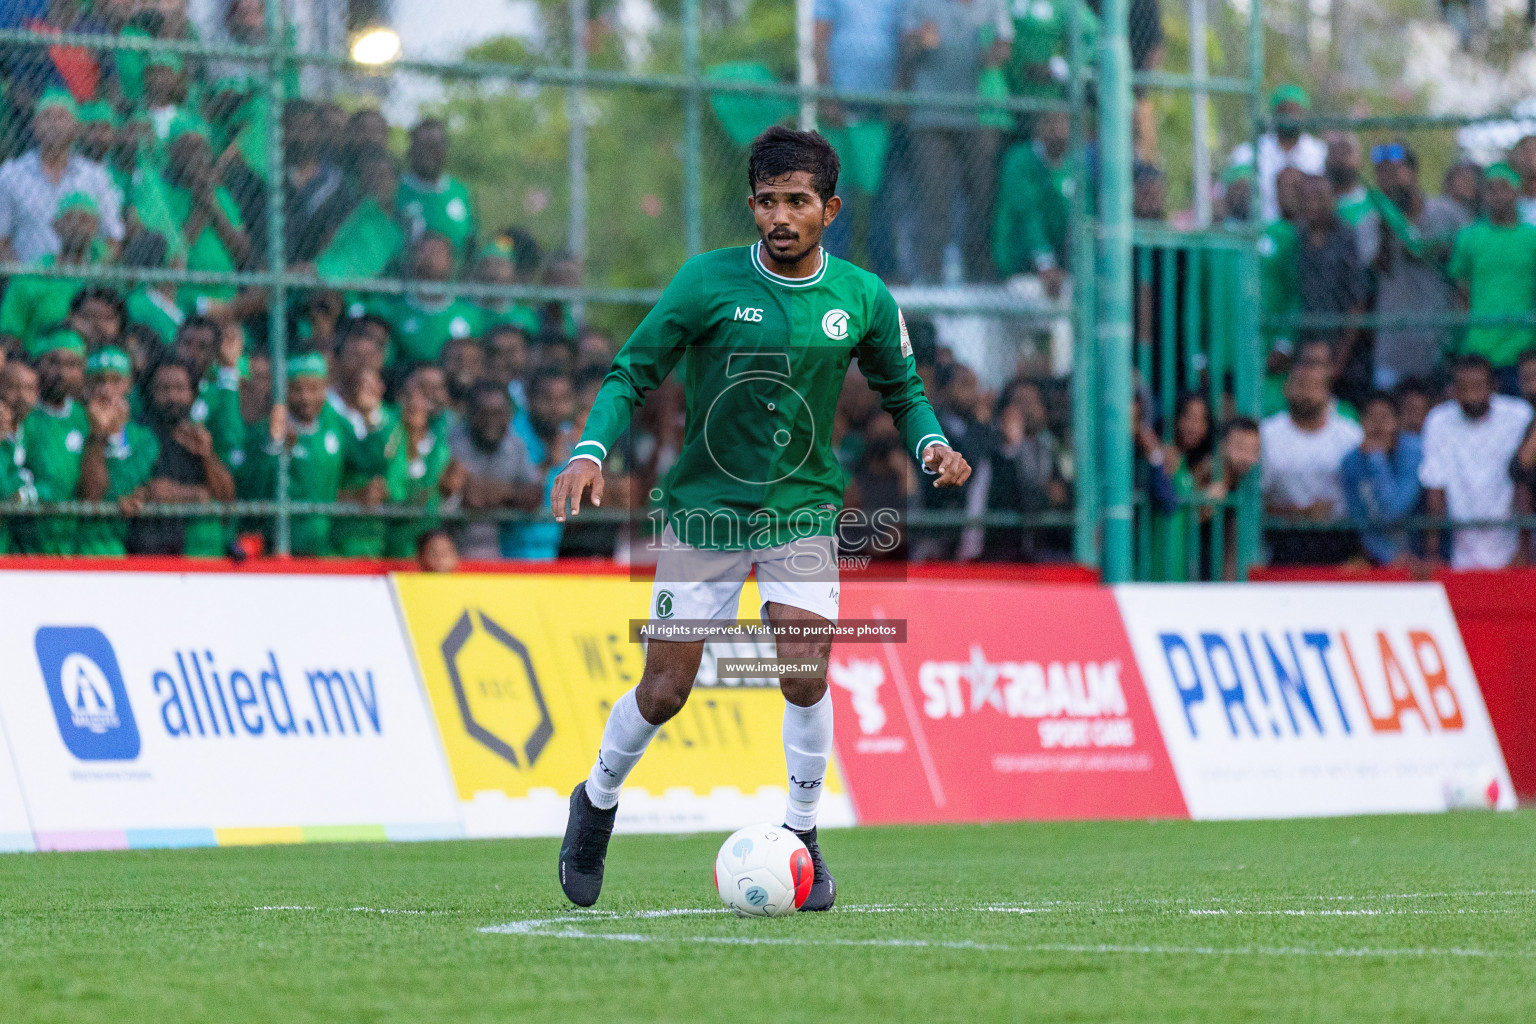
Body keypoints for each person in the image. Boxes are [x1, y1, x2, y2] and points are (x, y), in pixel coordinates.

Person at [549, 127, 968, 911]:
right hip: (706, 511)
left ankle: (803, 833)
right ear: (752, 206)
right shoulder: (705, 283)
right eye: (768, 202)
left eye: (798, 202)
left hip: (803, 509)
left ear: (829, 209)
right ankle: (597, 800)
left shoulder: (862, 298)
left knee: (803, 667)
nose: (781, 216)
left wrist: (933, 443)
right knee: (667, 690)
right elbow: (632, 370)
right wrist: (591, 449)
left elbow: (902, 390)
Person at [898, 0, 1013, 283]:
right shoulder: (922, 4)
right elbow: (906, 46)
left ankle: (979, 276)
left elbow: (1004, 47)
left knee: (982, 196)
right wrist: (919, 42)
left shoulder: (992, 6)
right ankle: (930, 276)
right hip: (931, 114)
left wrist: (992, 53)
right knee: (933, 197)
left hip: (979, 114)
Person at [238, 352, 385, 557]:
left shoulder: (334, 423)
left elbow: (368, 462)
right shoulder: (268, 430)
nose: (306, 397)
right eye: (297, 389)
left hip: (325, 547)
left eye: (314, 389)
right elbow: (251, 489)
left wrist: (372, 417)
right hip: (280, 547)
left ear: (326, 389)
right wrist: (274, 448)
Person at [1359, 143, 1460, 391]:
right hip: (1393, 348)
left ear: (1413, 172)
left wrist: (1429, 248)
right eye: (1381, 173)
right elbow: (1378, 267)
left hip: (1440, 343)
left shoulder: (1448, 213)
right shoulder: (1371, 221)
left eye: (1395, 171)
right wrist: (1388, 224)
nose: (1388, 179)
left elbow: (1462, 267)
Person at [813, 0, 903, 271]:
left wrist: (899, 95)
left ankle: (883, 271)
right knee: (838, 192)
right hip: (840, 108)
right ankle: (835, 268)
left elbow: (904, 41)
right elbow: (818, 41)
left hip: (882, 112)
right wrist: (827, 96)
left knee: (882, 196)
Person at [1421, 354, 1532, 569]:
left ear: (1494, 386)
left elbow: (1524, 483)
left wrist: (1523, 550)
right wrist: (1432, 553)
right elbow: (1435, 487)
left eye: (1478, 386)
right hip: (1459, 548)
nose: (1471, 395)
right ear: (1452, 390)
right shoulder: (1439, 421)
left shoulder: (1518, 416)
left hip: (1512, 543)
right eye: (1464, 388)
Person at [0, 88, 123, 264]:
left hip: (82, 284)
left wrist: (92, 275)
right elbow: (2, 240)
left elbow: (112, 238)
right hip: (30, 283)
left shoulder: (95, 176)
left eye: (62, 117)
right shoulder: (11, 174)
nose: (54, 124)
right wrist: (25, 279)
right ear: (34, 126)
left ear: (76, 128)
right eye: (47, 117)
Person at [129, 357, 236, 556]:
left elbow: (226, 500)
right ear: (150, 392)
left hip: (195, 551)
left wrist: (207, 456)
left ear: (193, 394)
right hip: (145, 550)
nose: (172, 396)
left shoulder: (201, 435)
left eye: (180, 388)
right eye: (164, 388)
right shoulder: (136, 435)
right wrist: (195, 495)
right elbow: (148, 491)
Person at [1261, 362, 1364, 565]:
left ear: (1328, 394)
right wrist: (1299, 513)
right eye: (1300, 384)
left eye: (1314, 386)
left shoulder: (1350, 435)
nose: (1306, 392)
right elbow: (1256, 499)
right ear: (1286, 389)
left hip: (1340, 535)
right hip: (1282, 536)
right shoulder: (1267, 434)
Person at [1448, 164, 1536, 393]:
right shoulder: (1469, 236)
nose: (1497, 195)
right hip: (1478, 345)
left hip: (1522, 346)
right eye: (1491, 189)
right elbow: (1461, 290)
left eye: (1504, 188)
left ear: (1517, 192)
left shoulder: (1531, 237)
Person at [74, 347, 159, 556]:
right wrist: (98, 435)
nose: (105, 390)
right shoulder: (72, 425)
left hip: (120, 549)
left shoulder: (144, 438)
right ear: (86, 385)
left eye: (115, 381)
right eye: (98, 380)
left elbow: (130, 486)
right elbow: (91, 495)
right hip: (73, 546)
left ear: (128, 384)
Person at [0, 190, 106, 351]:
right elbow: (9, 334)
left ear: (96, 227)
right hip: (39, 361)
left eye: (85, 219)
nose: (78, 226)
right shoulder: (31, 276)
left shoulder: (106, 276)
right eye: (71, 218)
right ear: (56, 225)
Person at [448, 381, 542, 560]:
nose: (491, 421)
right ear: (470, 413)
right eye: (484, 413)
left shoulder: (516, 447)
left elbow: (535, 494)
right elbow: (465, 496)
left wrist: (502, 491)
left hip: (503, 553)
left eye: (498, 414)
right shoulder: (451, 442)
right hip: (453, 552)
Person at [1296, 174, 1368, 403]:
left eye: (1319, 197)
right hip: (1304, 343)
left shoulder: (1346, 237)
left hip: (1343, 346)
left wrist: (1339, 359)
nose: (1312, 204)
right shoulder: (1297, 238)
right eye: (1306, 198)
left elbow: (1357, 301)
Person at [20, 329, 90, 554]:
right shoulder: (24, 416)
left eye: (72, 365)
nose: (61, 373)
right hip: (24, 542)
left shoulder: (85, 418)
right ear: (37, 364)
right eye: (53, 362)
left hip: (73, 544)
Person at [1339, 391, 1423, 566]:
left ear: (1397, 422)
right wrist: (1389, 558)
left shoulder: (1414, 452)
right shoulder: (1351, 462)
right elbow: (1359, 521)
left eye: (1385, 417)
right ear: (1360, 422)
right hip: (1377, 554)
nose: (1378, 425)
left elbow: (1394, 510)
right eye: (1371, 417)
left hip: (1419, 550)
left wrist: (1377, 460)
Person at [991, 109, 1070, 292]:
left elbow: (1082, 214)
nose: (1060, 130)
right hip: (1019, 260)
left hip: (1063, 263)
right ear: (1040, 127)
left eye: (1064, 123)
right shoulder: (1019, 160)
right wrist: (1046, 265)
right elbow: (1027, 213)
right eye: (1052, 123)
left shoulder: (1073, 164)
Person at [501, 366, 574, 560]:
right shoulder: (509, 436)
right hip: (509, 558)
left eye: (563, 399)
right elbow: (512, 494)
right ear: (529, 399)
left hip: (557, 555)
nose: (556, 407)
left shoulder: (572, 436)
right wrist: (549, 462)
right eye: (547, 399)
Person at [1229, 85, 1326, 224]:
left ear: (1304, 114)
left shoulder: (1319, 152)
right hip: (1261, 232)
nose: (1289, 116)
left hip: (1306, 235)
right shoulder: (1249, 152)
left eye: (1295, 110)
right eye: (1284, 110)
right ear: (1274, 113)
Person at [397, 118, 476, 262]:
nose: (428, 154)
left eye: (434, 146)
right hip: (402, 281)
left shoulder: (460, 192)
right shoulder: (395, 189)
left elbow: (471, 244)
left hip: (452, 283)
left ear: (445, 150)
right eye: (422, 146)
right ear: (411, 150)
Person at [0, 360, 40, 553]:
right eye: (13, 387)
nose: (22, 396)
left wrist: (24, 493)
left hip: (27, 544)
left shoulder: (39, 429)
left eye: (28, 388)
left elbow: (56, 481)